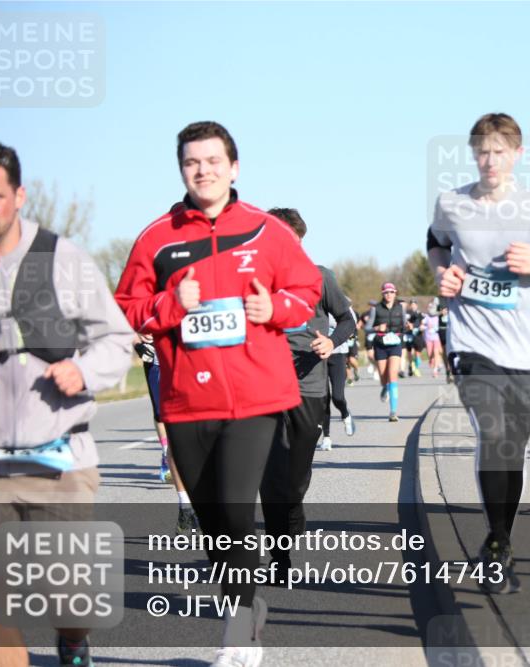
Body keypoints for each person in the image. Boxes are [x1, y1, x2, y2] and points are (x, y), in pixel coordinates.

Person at [114, 122, 322, 667]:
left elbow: (306, 290)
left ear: (234, 167)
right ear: (181, 170)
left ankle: (237, 633)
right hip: (187, 399)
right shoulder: (156, 238)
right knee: (213, 521)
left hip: (255, 396)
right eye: (192, 162)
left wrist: (273, 310)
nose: (203, 170)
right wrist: (170, 306)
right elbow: (127, 307)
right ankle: (245, 608)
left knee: (235, 508)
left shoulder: (265, 231)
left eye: (213, 161)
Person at [0, 142, 133, 667]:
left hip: (57, 452)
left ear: (19, 195)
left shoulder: (60, 259)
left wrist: (85, 370)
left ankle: (73, 638)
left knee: (69, 597)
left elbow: (116, 339)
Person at [427, 112, 530, 594]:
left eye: (499, 151)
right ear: (473, 154)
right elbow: (435, 243)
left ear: (517, 155)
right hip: (472, 343)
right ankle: (495, 544)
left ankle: (501, 539)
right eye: (482, 152)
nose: (490, 160)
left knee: (511, 449)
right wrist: (440, 274)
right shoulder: (452, 203)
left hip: (526, 350)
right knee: (492, 436)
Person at [258, 207, 354, 573]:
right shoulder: (254, 280)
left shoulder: (319, 277)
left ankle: (294, 506)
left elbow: (347, 320)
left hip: (310, 387)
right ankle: (279, 560)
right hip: (265, 388)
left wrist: (330, 343)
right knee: (272, 476)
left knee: (295, 478)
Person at [133, 333, 198, 533]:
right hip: (160, 363)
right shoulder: (153, 302)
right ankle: (185, 507)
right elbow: (125, 320)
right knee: (173, 432)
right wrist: (137, 344)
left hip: (199, 361)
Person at [319, 309, 358, 451]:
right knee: (323, 398)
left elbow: (351, 324)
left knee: (337, 396)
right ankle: (326, 437)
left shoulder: (339, 303)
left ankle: (345, 414)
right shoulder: (313, 303)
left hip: (338, 354)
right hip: (318, 356)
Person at [366, 283, 405, 422]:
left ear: (395, 293)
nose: (389, 294)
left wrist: (408, 328)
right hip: (380, 345)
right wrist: (377, 327)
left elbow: (404, 326)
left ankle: (393, 411)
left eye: (391, 292)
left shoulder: (400, 308)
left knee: (392, 374)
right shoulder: (376, 309)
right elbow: (367, 328)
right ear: (382, 294)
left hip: (395, 344)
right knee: (383, 377)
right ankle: (384, 387)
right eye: (386, 292)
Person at [403, 300, 425, 377]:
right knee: (409, 352)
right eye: (412, 304)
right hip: (408, 334)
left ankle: (415, 366)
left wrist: (422, 327)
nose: (413, 306)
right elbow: (405, 322)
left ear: (417, 305)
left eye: (414, 304)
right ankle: (411, 365)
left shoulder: (420, 313)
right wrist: (408, 325)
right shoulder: (407, 313)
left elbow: (423, 322)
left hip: (417, 334)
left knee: (417, 353)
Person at [422, 300, 443, 378]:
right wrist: (424, 327)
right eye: (429, 307)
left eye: (432, 307)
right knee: (430, 354)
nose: (430, 308)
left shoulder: (438, 317)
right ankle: (438, 363)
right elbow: (422, 325)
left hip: (436, 337)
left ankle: (435, 370)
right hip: (428, 338)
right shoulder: (426, 317)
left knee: (436, 352)